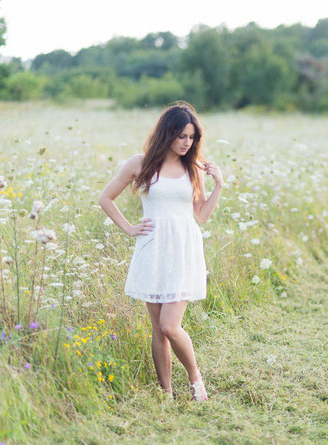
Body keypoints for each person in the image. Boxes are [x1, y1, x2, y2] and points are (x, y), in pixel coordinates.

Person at [98, 101, 223, 402]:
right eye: (181, 136)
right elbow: (105, 198)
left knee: (170, 325)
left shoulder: (193, 168)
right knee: (158, 330)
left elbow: (202, 215)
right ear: (167, 133)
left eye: (191, 137)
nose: (186, 142)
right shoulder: (140, 163)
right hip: (153, 249)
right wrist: (129, 228)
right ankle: (165, 393)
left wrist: (219, 184)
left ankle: (195, 380)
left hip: (183, 249)